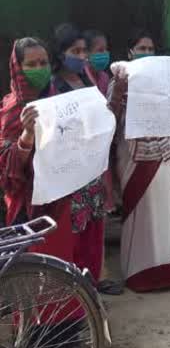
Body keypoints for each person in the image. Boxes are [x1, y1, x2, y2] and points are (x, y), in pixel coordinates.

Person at [1, 33, 106, 287]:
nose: (39, 69)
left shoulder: (59, 102)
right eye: (32, 64)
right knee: (35, 272)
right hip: (29, 207)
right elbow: (7, 168)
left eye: (43, 63)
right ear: (18, 68)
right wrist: (27, 135)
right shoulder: (11, 110)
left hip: (60, 202)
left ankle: (69, 323)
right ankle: (36, 327)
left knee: (63, 265)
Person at [109, 30, 170, 292]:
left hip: (162, 153)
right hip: (133, 157)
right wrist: (120, 89)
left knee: (163, 212)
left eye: (151, 49)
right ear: (130, 52)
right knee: (140, 213)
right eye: (141, 48)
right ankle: (139, 273)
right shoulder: (118, 80)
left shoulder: (163, 81)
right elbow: (109, 118)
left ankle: (167, 271)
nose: (147, 53)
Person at [83, 29, 111, 95]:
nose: (105, 53)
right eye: (100, 50)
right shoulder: (80, 77)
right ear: (86, 52)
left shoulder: (105, 77)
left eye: (106, 49)